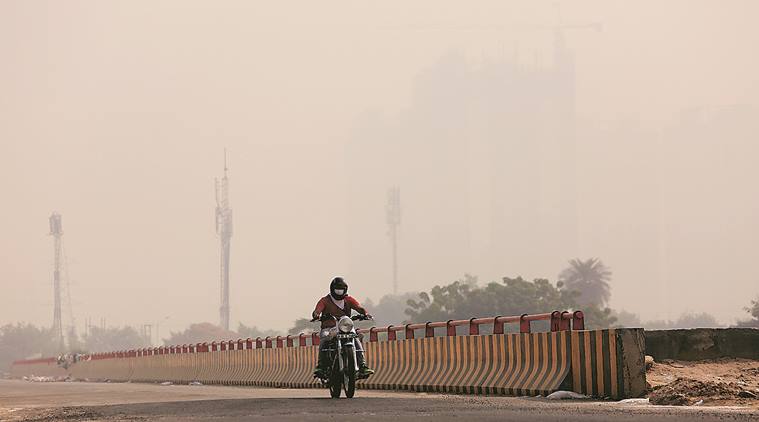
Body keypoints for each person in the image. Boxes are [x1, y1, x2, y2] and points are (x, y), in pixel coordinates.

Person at [312, 277, 375, 379]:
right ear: (332, 289)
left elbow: (359, 308)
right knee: (324, 338)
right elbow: (317, 310)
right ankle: (321, 366)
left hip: (346, 327)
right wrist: (316, 315)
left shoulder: (349, 300)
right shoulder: (325, 300)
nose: (339, 291)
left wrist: (365, 313)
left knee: (355, 339)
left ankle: (363, 366)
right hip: (329, 328)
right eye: (337, 289)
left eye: (341, 289)